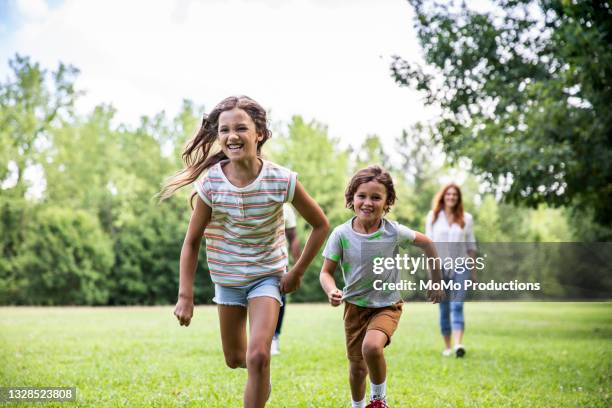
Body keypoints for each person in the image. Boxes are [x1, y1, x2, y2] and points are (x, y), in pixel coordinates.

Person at [159, 95, 329, 407]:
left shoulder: (281, 179)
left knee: (259, 354)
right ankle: (260, 375)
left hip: (267, 275)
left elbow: (321, 225)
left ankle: (260, 370)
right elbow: (192, 241)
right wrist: (185, 295)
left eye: (240, 128)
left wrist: (297, 271)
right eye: (224, 130)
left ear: (259, 133)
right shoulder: (211, 183)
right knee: (237, 358)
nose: (231, 136)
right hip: (228, 278)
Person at [320, 165, 444, 408]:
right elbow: (326, 272)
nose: (368, 202)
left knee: (372, 347)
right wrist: (331, 290)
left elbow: (428, 244)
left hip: (387, 305)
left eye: (376, 197)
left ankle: (379, 400)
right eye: (362, 196)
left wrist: (436, 280)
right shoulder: (341, 234)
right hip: (354, 308)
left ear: (387, 202)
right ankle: (357, 405)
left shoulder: (393, 231)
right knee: (357, 368)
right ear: (352, 198)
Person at [425, 183, 477, 358]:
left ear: (458, 198)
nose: (451, 197)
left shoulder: (467, 218)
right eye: (448, 194)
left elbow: (471, 246)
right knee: (444, 308)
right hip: (439, 268)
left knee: (457, 304)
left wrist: (474, 272)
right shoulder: (433, 217)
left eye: (455, 195)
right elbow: (428, 246)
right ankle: (447, 347)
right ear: (443, 196)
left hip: (461, 266)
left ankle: (458, 345)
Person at [271, 203, 302, 356]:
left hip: (279, 265)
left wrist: (297, 269)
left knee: (279, 302)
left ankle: (273, 338)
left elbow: (293, 237)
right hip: (247, 264)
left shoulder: (286, 208)